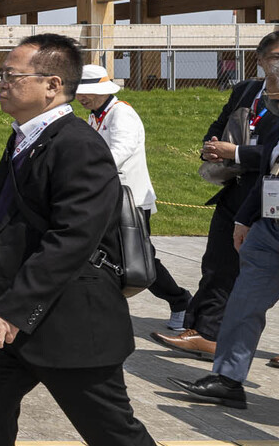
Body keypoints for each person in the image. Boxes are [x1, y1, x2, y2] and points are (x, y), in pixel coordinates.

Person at [0, 34, 187, 446]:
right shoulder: (27, 137)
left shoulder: (78, 144)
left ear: (51, 85)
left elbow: (72, 239)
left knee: (114, 436)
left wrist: (14, 307)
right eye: (2, 74)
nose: (1, 83)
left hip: (69, 322)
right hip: (9, 316)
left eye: (12, 75)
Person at [154, 30, 279, 369]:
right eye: (276, 57)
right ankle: (208, 334)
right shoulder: (248, 90)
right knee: (219, 262)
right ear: (261, 60)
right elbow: (221, 124)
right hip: (240, 190)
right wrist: (211, 147)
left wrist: (235, 152)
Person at [74, 65, 192, 326]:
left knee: (139, 259)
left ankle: (181, 301)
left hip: (130, 202)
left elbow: (119, 152)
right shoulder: (97, 115)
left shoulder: (121, 114)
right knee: (106, 256)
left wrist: (84, 171)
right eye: (78, 92)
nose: (81, 97)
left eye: (86, 92)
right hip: (107, 199)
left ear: (102, 91)